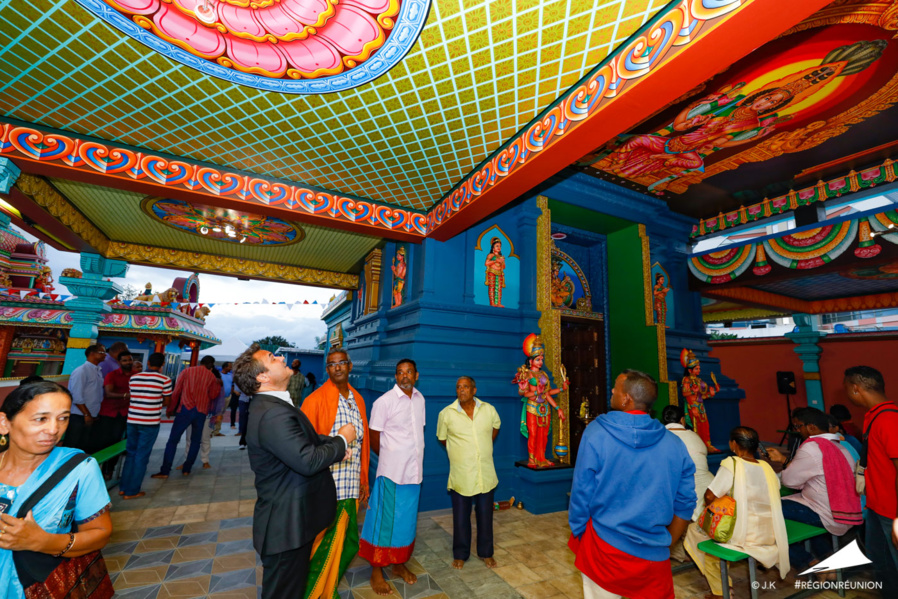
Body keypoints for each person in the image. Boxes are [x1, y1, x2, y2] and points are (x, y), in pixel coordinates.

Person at [232, 343, 356, 599]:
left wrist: (332, 445)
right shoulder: (272, 413)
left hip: (293, 523)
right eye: (271, 357)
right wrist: (342, 440)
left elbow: (301, 441)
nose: (279, 357)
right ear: (263, 377)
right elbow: (307, 460)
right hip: (285, 527)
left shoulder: (273, 406)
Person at [569, 370, 696, 599]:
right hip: (653, 552)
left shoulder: (596, 433)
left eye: (615, 388)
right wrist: (668, 543)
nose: (612, 392)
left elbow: (581, 492)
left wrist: (580, 531)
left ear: (626, 398)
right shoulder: (675, 444)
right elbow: (685, 502)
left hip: (603, 546)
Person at [0, 382, 114, 597]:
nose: (54, 430)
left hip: (31, 586)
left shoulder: (78, 468)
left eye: (63, 418)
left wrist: (44, 541)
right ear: (4, 423)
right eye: (41, 419)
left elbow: (101, 533)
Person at [684, 427, 789, 599]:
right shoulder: (767, 468)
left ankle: (720, 591)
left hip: (742, 534)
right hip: (768, 532)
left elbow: (709, 496)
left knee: (695, 534)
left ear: (734, 444)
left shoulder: (732, 464)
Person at [301, 348, 370, 599]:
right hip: (328, 485)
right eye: (332, 364)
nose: (338, 367)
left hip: (351, 485)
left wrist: (364, 479)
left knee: (348, 542)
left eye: (342, 363)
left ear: (350, 366)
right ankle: (312, 593)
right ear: (327, 369)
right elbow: (303, 446)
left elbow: (362, 445)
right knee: (327, 545)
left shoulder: (358, 399)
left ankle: (327, 589)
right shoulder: (315, 400)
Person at [766, 407, 861, 573]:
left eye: (798, 426)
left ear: (811, 427)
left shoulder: (811, 448)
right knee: (795, 510)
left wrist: (783, 464)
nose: (797, 431)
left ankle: (809, 562)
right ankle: (829, 559)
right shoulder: (841, 446)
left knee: (766, 512)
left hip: (826, 512)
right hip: (846, 510)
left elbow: (790, 481)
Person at [361, 359, 426, 596]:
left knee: (406, 521)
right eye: (400, 373)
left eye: (409, 372)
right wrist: (392, 457)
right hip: (391, 473)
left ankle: (399, 564)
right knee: (383, 523)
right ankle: (376, 570)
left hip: (414, 473)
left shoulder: (420, 400)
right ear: (395, 377)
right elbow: (374, 436)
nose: (404, 376)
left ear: (416, 375)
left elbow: (418, 434)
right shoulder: (383, 402)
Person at [437, 376, 501, 570]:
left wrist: (481, 446)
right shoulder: (446, 414)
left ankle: (486, 553)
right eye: (458, 387)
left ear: (474, 390)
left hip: (485, 473)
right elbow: (442, 439)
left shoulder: (488, 410)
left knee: (484, 515)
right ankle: (460, 554)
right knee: (461, 517)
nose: (461, 390)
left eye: (465, 387)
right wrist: (460, 453)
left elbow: (495, 427)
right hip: (461, 474)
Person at [844, 366, 898, 595]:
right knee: (881, 561)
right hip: (877, 506)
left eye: (846, 388)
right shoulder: (874, 415)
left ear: (855, 388)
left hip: (892, 509)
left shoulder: (888, 419)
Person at [152, 355, 221, 478]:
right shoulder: (211, 376)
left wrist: (170, 408)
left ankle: (165, 471)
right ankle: (187, 469)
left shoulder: (187, 371)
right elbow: (212, 395)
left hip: (185, 409)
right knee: (195, 441)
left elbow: (177, 391)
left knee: (173, 440)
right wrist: (217, 384)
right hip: (201, 411)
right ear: (211, 365)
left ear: (201, 362)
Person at [661, 404, 714, 563]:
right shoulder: (695, 437)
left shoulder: (661, 437)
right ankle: (680, 549)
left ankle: (674, 549)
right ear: (682, 420)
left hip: (685, 490)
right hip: (711, 487)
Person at [120, 352, 172, 499]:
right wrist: (153, 404)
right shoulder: (164, 380)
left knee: (131, 454)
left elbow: (133, 396)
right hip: (150, 422)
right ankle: (132, 491)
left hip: (132, 420)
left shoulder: (134, 378)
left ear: (148, 363)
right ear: (162, 365)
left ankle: (124, 487)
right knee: (142, 456)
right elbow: (167, 402)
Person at [96, 350, 134, 473]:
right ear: (119, 362)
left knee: (118, 441)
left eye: (130, 360)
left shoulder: (136, 375)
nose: (128, 362)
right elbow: (108, 393)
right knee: (104, 441)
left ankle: (109, 470)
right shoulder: (112, 375)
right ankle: (100, 469)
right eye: (125, 360)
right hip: (108, 412)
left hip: (125, 413)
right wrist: (127, 395)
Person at [181, 366, 227, 470]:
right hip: (193, 412)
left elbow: (219, 399)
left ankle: (205, 460)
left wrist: (218, 413)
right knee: (189, 437)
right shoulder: (196, 382)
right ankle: (186, 461)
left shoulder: (216, 383)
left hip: (207, 414)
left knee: (204, 438)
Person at [65, 344, 106, 453]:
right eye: (101, 352)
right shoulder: (81, 371)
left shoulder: (98, 370)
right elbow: (76, 396)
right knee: (73, 446)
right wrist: (86, 414)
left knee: (84, 446)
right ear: (92, 354)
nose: (105, 355)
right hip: (79, 415)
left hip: (91, 415)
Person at [680, 348, 720, 453]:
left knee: (705, 426)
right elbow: (685, 393)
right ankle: (698, 447)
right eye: (696, 369)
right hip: (693, 406)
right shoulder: (686, 380)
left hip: (701, 406)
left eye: (699, 368)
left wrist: (711, 393)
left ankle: (707, 445)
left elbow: (702, 396)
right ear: (690, 370)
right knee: (696, 427)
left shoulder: (699, 380)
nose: (699, 370)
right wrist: (692, 404)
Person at [213, 362, 233, 436]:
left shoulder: (230, 375)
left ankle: (217, 431)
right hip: (219, 398)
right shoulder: (219, 375)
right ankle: (211, 430)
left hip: (227, 397)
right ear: (225, 367)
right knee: (217, 413)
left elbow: (232, 385)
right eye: (230, 367)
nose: (231, 368)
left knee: (221, 414)